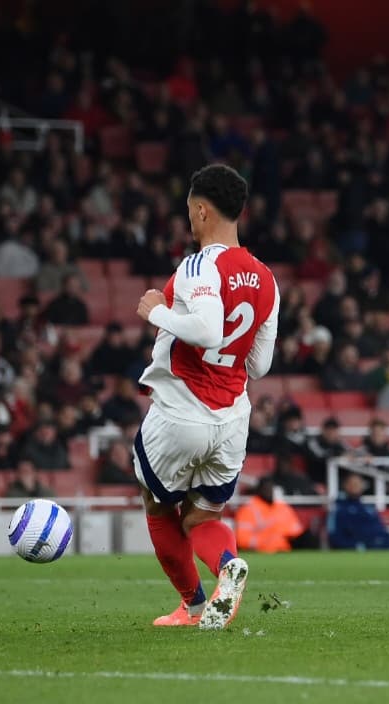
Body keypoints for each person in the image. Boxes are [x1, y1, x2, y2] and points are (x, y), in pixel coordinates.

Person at [133, 164, 279, 630]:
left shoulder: (200, 264)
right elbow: (260, 366)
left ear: (201, 210)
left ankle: (192, 605)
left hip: (181, 411)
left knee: (157, 506)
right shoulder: (266, 278)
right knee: (201, 518)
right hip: (232, 420)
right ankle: (227, 568)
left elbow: (207, 328)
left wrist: (158, 311)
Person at [234, 476, 305, 553]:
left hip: (285, 549)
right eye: (266, 489)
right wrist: (266, 542)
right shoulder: (248, 509)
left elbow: (296, 532)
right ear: (259, 490)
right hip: (259, 552)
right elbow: (241, 539)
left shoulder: (282, 507)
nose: (269, 492)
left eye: (271, 488)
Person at [327, 472, 389, 549]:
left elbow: (381, 531)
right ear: (345, 485)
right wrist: (357, 546)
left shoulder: (369, 509)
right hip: (352, 552)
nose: (355, 486)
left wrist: (384, 542)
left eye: (358, 483)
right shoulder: (338, 509)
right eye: (352, 483)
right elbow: (335, 536)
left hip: (375, 549)